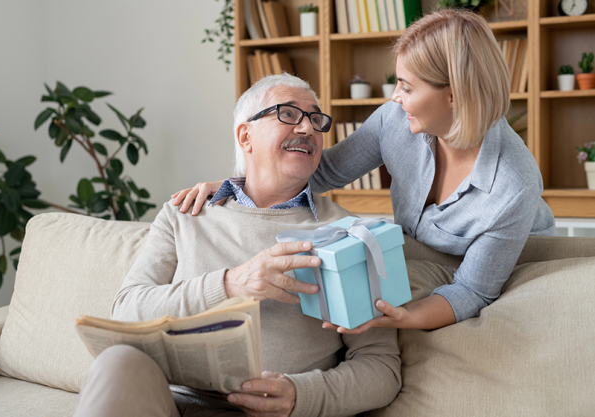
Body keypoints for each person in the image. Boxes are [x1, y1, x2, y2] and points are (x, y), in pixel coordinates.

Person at [170, 10, 556, 333]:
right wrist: (231, 186)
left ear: (453, 94)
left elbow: (474, 290)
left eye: (406, 87)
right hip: (423, 257)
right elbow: (324, 172)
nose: (394, 97)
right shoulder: (394, 121)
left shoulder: (513, 186)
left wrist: (406, 318)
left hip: (507, 267)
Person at [73, 73, 401, 417]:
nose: (307, 129)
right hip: (168, 403)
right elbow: (126, 311)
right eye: (288, 114)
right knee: (117, 361)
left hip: (268, 411)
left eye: (315, 120)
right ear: (246, 135)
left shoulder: (350, 235)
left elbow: (381, 367)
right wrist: (231, 284)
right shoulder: (184, 213)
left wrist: (300, 395)